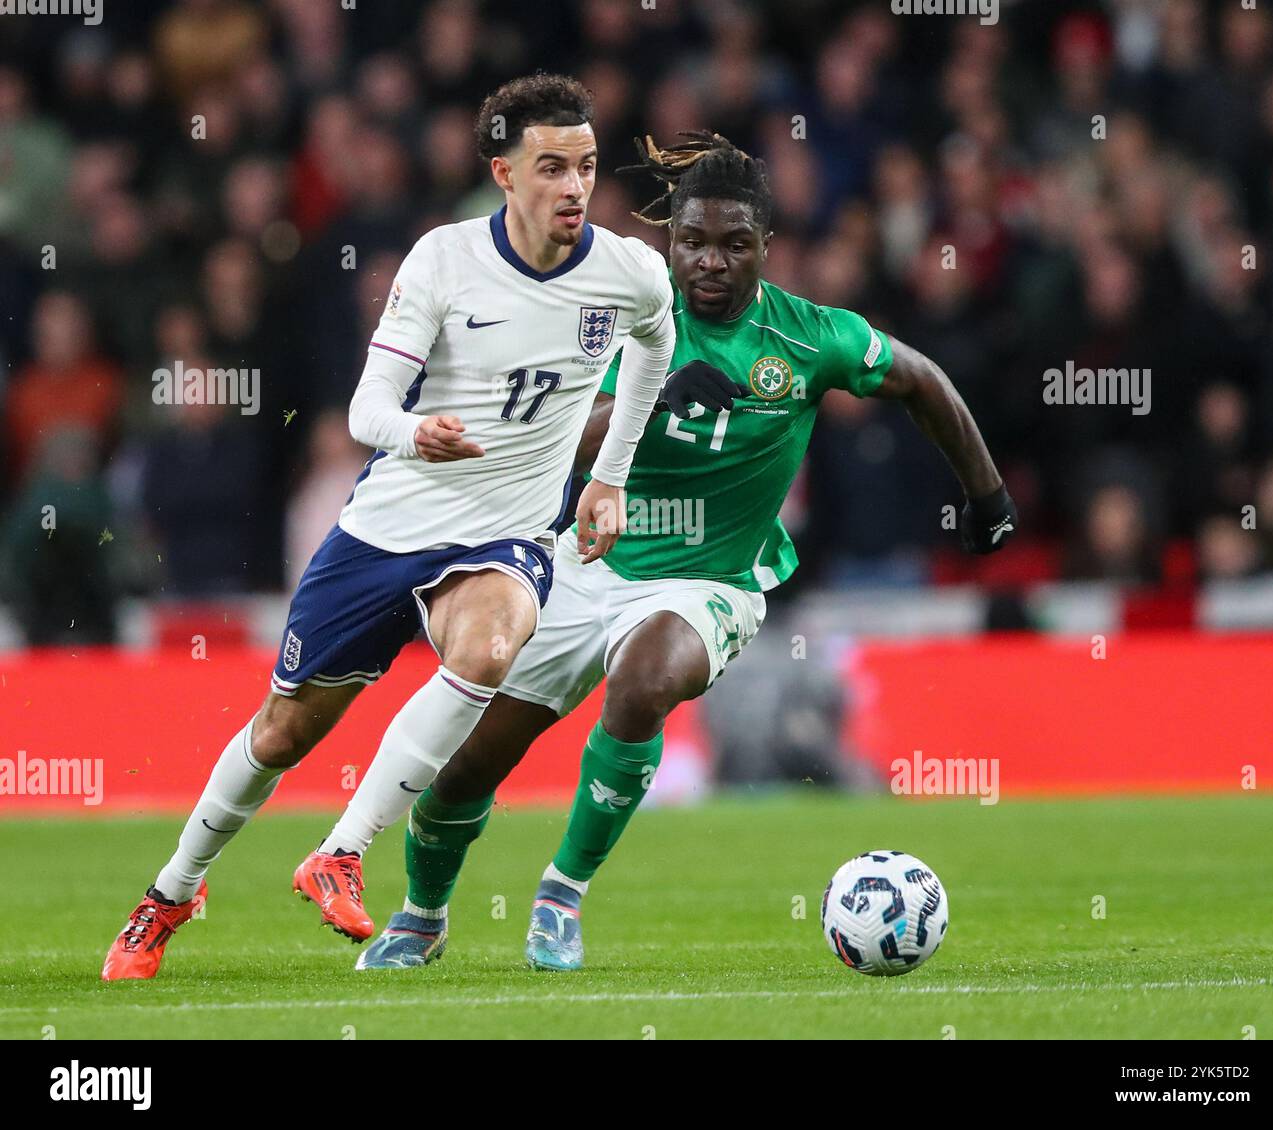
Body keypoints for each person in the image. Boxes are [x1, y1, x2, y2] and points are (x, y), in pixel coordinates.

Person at [354, 133, 1017, 971]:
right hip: (586, 564)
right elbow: (553, 446)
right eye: (694, 241)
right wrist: (655, 395)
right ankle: (421, 915)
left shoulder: (810, 340)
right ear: (671, 241)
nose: (711, 261)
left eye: (734, 245)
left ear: (766, 249)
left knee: (644, 681)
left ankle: (562, 893)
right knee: (466, 767)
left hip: (712, 580)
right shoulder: (615, 318)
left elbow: (920, 378)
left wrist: (986, 493)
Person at [101, 74, 677, 980]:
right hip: (390, 526)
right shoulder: (444, 262)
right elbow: (366, 411)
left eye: (588, 167)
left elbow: (658, 341)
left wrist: (609, 477)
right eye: (553, 167)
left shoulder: (627, 271)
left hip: (508, 536)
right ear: (503, 173)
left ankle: (341, 851)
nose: (575, 187)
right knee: (284, 734)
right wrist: (418, 433)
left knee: (489, 648)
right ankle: (170, 894)